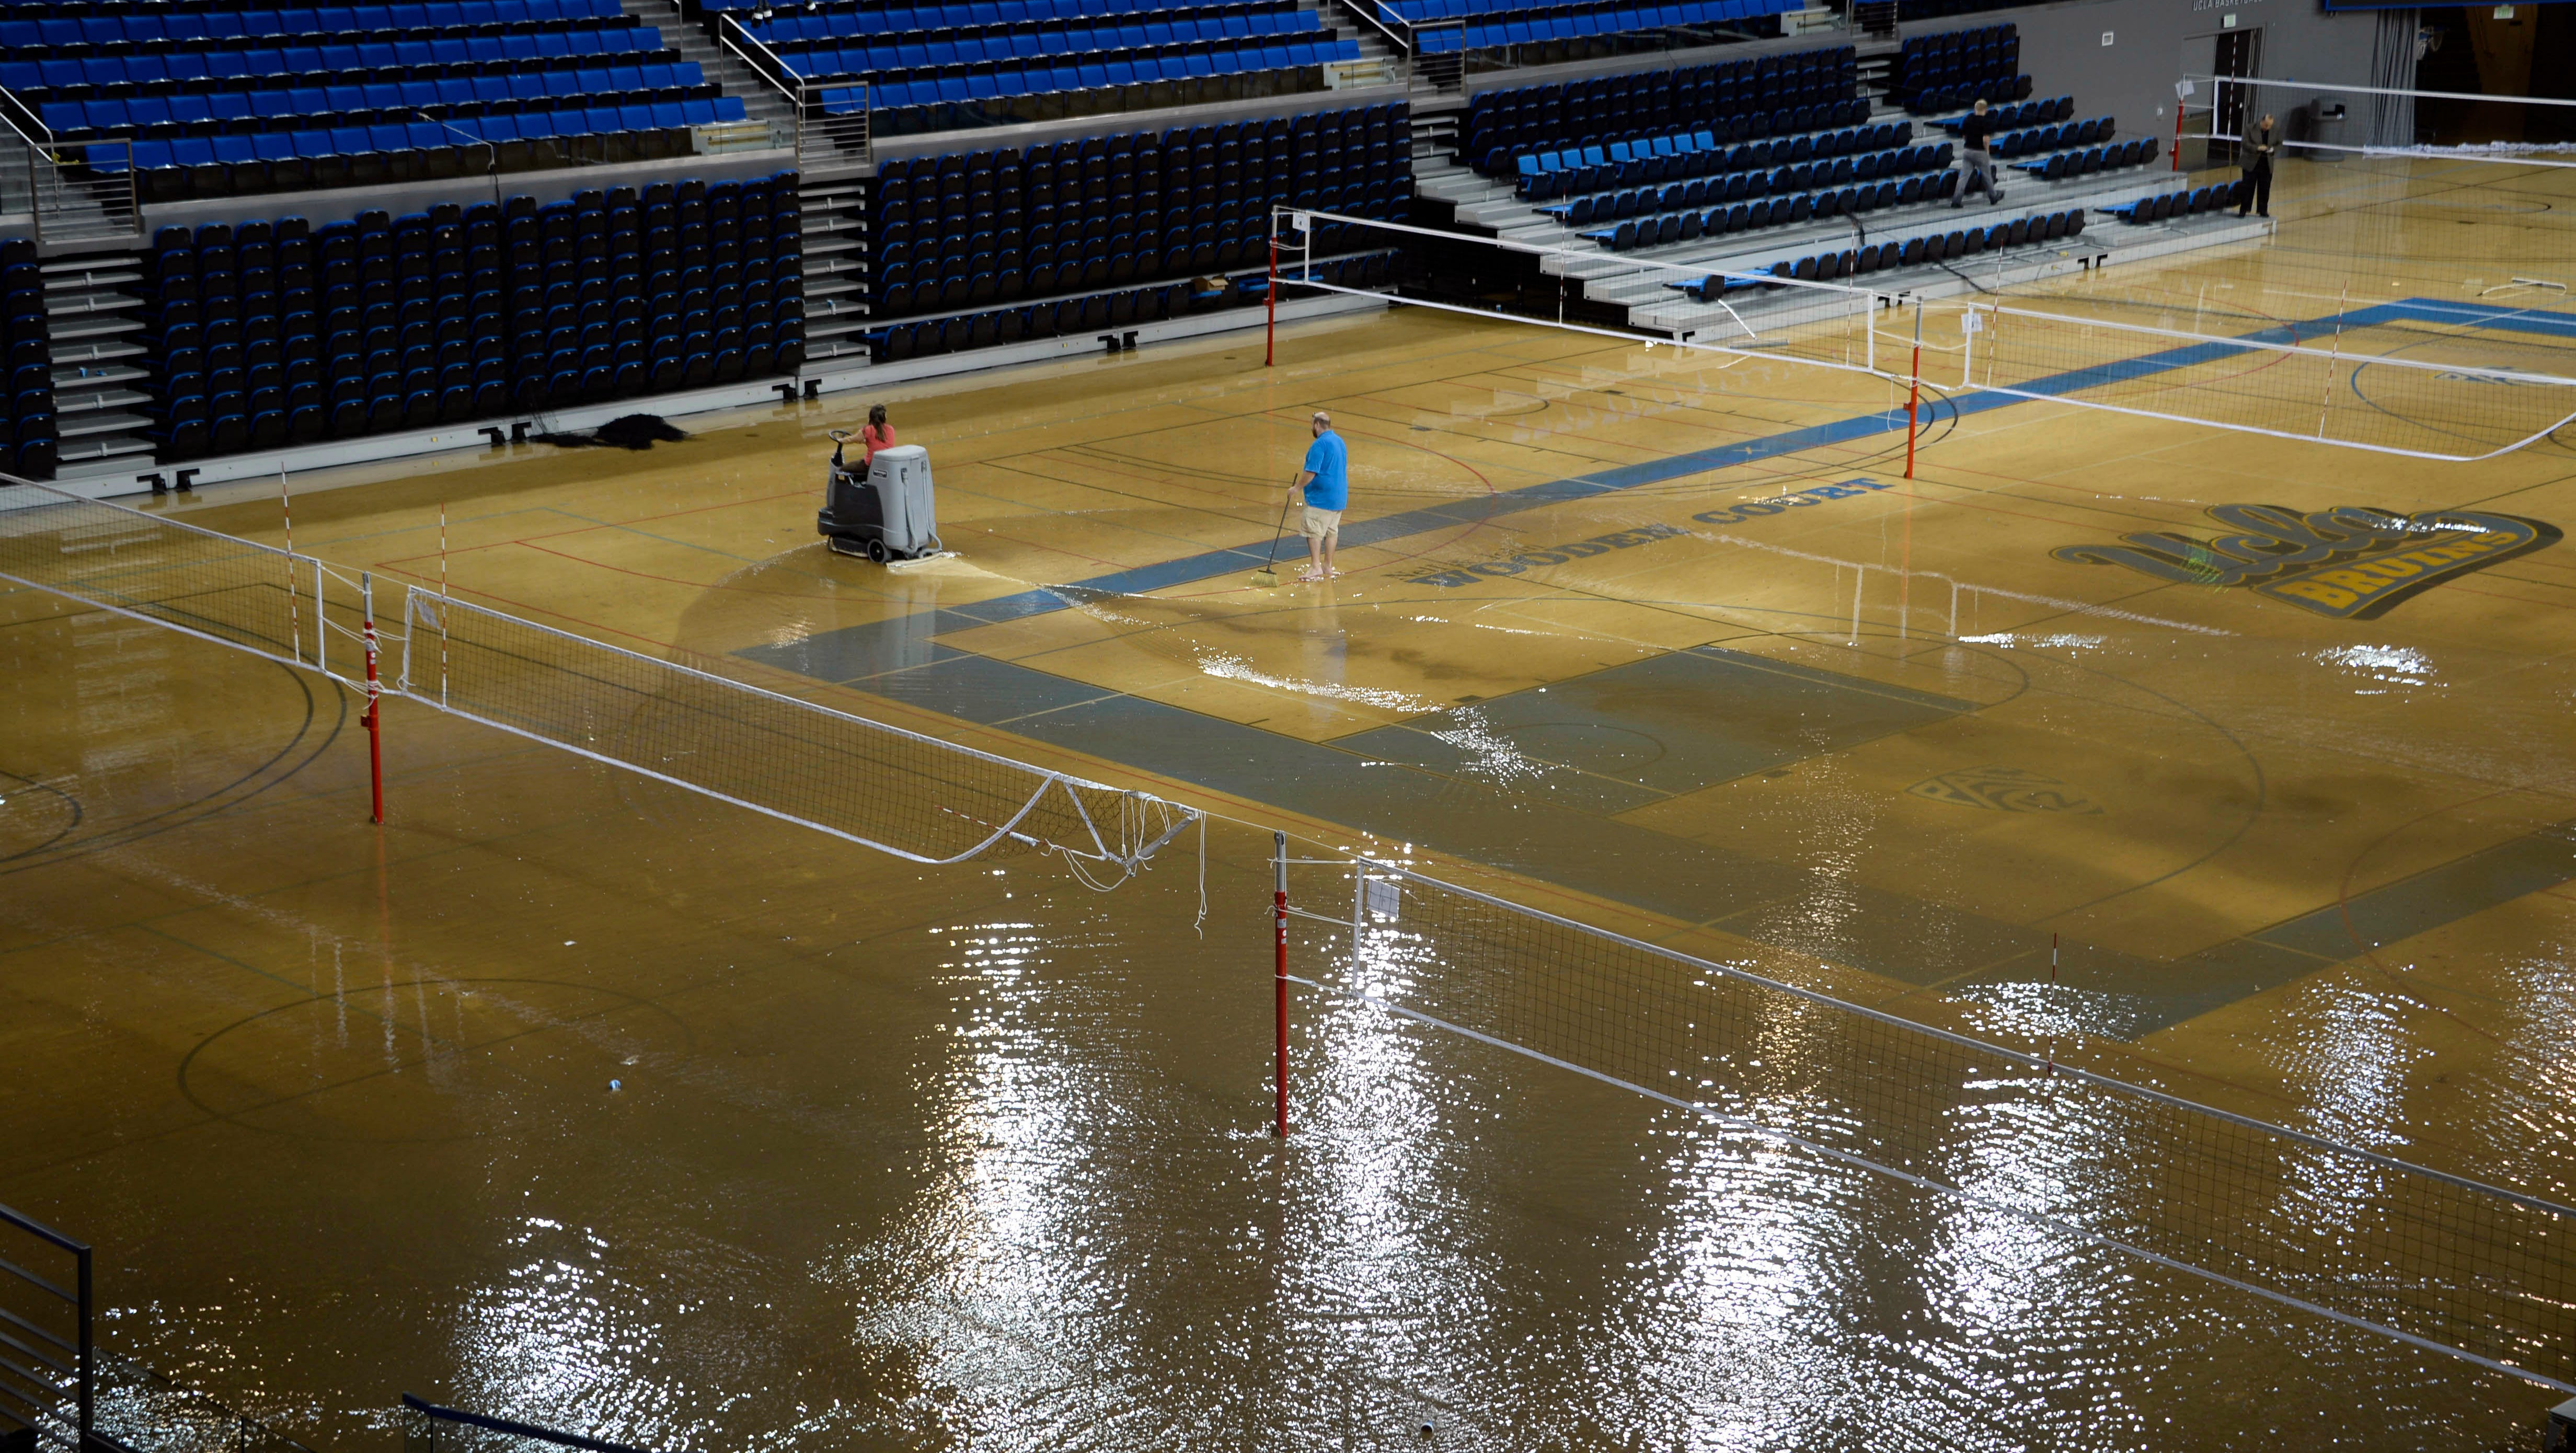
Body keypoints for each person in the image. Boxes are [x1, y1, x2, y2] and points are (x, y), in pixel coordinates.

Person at [1287, 410, 1348, 584]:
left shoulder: (1319, 445)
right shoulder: (1339, 441)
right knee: (1331, 532)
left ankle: (1316, 567)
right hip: (1339, 497)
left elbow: (1312, 471)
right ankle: (1328, 566)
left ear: (1316, 425)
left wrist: (1296, 488)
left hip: (1322, 499)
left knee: (1313, 529)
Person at [1954, 98, 2003, 208]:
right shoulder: (1986, 122)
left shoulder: (1968, 119)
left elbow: (1964, 135)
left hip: (1967, 151)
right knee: (1987, 176)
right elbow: (1986, 139)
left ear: (1975, 109)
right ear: (1985, 110)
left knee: (1964, 177)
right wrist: (1988, 151)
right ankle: (1993, 197)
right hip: (1980, 152)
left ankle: (1956, 200)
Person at [2238, 113, 2278, 218]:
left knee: (2265, 188)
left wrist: (2273, 150)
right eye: (2266, 125)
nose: (2268, 128)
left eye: (2270, 126)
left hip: (2266, 164)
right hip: (2251, 164)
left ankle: (2263, 210)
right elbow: (2245, 144)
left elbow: (2279, 143)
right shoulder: (2249, 128)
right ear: (2262, 121)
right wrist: (2257, 148)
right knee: (2247, 188)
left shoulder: (2274, 130)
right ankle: (2244, 210)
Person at [860, 404, 895, 468]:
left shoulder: (868, 429)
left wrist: (841, 440)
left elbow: (852, 439)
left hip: (871, 463)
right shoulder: (891, 429)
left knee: (844, 468)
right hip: (888, 462)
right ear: (884, 417)